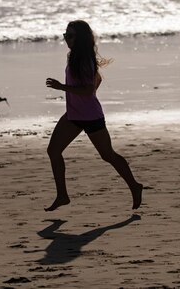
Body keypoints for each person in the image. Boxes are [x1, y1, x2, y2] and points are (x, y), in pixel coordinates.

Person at [44, 20, 143, 211]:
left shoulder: (84, 59)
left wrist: (61, 87)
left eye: (70, 36)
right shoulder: (73, 56)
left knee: (108, 155)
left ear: (80, 38)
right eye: (65, 35)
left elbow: (89, 89)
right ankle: (62, 195)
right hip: (73, 114)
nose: (66, 39)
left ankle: (134, 185)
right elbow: (96, 81)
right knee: (53, 151)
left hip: (90, 117)